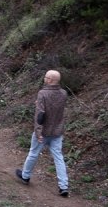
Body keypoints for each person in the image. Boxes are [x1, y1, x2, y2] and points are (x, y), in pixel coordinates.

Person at [16, 69, 70, 197]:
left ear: (50, 80)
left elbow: (40, 115)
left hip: (44, 130)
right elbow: (55, 108)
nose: (44, 79)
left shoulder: (42, 93)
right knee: (58, 158)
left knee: (33, 153)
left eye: (46, 77)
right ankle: (63, 186)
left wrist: (39, 132)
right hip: (57, 131)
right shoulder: (63, 93)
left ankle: (25, 176)